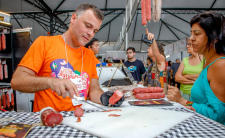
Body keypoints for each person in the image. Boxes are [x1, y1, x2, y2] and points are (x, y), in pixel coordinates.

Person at [10, 3, 124, 112]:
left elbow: (94, 90)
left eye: (95, 31)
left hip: (79, 119)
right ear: (73, 19)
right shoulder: (44, 43)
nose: (90, 33)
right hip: (49, 121)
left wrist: (105, 98)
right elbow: (17, 81)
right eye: (88, 26)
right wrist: (50, 81)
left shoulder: (89, 54)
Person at [167, 11, 225, 125]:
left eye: (197, 34)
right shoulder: (207, 62)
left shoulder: (220, 65)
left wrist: (182, 101)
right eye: (191, 33)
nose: (191, 38)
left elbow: (219, 115)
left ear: (215, 37)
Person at [140, 29, 168, 93]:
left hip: (160, 96)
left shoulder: (161, 61)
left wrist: (153, 40)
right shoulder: (152, 64)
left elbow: (156, 54)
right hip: (152, 95)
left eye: (149, 48)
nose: (147, 50)